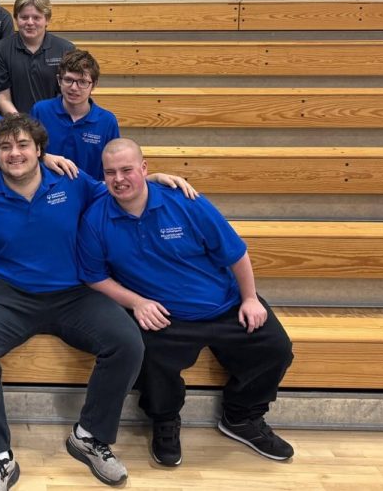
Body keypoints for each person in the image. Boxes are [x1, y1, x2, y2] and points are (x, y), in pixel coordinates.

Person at [0, 114, 196, 491]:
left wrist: (153, 180)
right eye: (5, 148)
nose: (15, 154)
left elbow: (118, 190)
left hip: (74, 292)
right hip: (8, 294)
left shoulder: (70, 179)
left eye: (23, 146)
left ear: (40, 150)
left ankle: (89, 436)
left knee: (127, 341)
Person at [79, 139, 295, 468]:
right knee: (144, 352)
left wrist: (250, 298)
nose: (119, 179)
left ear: (145, 169)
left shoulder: (186, 201)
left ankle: (241, 418)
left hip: (223, 303)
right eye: (110, 173)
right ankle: (164, 421)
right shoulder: (96, 217)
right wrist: (136, 302)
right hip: (165, 315)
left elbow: (236, 253)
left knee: (276, 347)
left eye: (127, 170)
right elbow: (95, 276)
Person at [30, 50, 120, 179]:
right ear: (59, 80)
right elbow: (26, 152)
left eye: (82, 82)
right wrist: (44, 157)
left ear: (94, 85)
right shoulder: (40, 111)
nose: (74, 87)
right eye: (68, 80)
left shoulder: (107, 121)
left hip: (89, 195)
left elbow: (113, 165)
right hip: (47, 192)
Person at [0, 0, 75, 115]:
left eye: (36, 17)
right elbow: (3, 98)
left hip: (54, 121)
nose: (30, 22)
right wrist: (23, 128)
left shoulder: (66, 49)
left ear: (47, 20)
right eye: (24, 17)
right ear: (16, 19)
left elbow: (65, 94)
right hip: (16, 126)